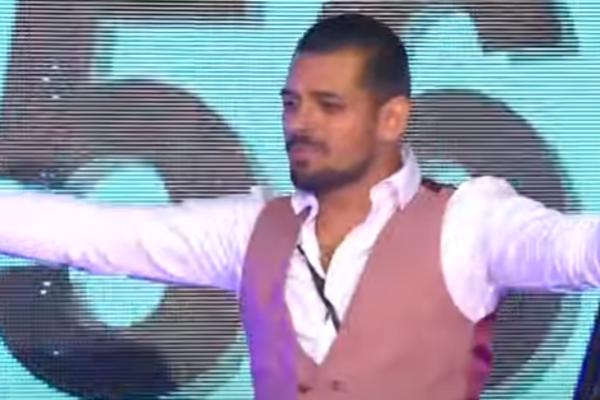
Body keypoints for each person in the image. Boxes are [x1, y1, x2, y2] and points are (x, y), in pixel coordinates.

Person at [0, 12, 599, 400]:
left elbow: (575, 249)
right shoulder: (253, 232)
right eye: (293, 104)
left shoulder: (470, 223)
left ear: (392, 117)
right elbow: (90, 234)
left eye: (328, 106)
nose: (301, 125)